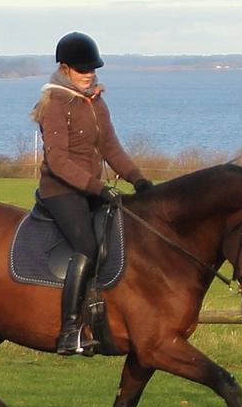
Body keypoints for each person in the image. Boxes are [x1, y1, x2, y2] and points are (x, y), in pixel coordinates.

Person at [30, 31, 153, 355]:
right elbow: (57, 161)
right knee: (86, 245)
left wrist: (138, 180)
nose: (89, 74)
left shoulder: (96, 102)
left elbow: (110, 147)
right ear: (66, 69)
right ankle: (70, 330)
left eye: (92, 69)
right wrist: (98, 187)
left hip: (89, 189)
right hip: (61, 191)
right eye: (83, 70)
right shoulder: (54, 104)